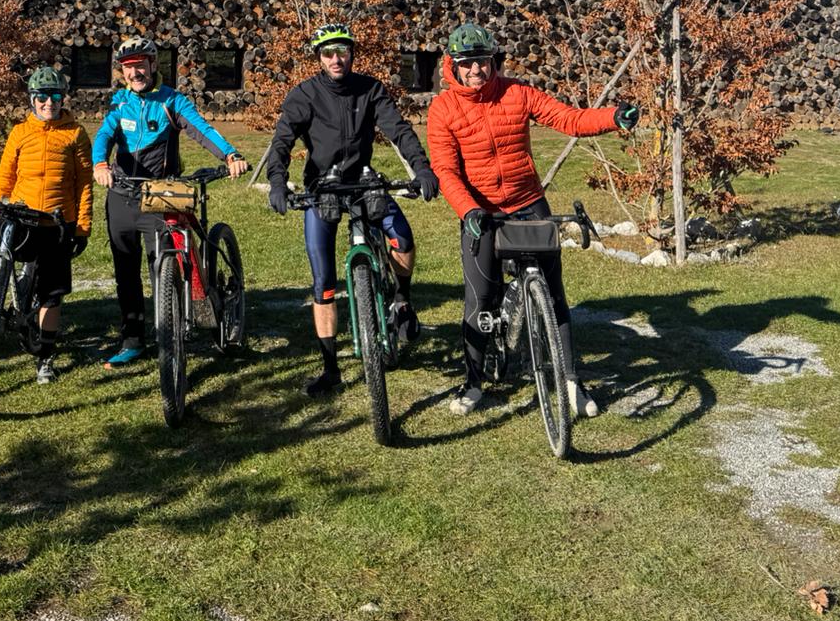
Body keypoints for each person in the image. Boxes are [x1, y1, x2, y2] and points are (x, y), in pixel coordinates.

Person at [426, 22, 640, 418]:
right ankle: (474, 382)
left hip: (528, 202)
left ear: (494, 62)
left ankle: (572, 381)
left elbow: (569, 120)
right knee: (479, 300)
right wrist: (468, 210)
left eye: (483, 61)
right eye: (467, 63)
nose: (476, 70)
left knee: (555, 297)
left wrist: (613, 117)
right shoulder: (443, 109)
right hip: (480, 212)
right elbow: (445, 169)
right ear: (452, 66)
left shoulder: (517, 93)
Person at [266, 23, 441, 396]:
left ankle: (401, 300)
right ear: (319, 58)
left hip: (364, 183)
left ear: (352, 53)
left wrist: (422, 168)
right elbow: (281, 142)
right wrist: (278, 183)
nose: (335, 59)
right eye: (327, 53)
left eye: (342, 51)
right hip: (322, 187)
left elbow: (399, 131)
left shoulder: (370, 88)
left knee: (403, 239)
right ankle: (331, 368)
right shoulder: (305, 94)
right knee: (323, 281)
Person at [91, 36, 249, 366]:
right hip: (121, 193)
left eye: (140, 66)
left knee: (161, 266)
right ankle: (133, 340)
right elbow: (105, 135)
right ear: (122, 72)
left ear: (153, 65)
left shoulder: (172, 101)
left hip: (159, 194)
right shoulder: (119, 103)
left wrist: (230, 154)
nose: (135, 73)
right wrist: (101, 163)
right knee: (125, 270)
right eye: (128, 68)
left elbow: (202, 129)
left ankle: (172, 331)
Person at [0, 66, 94, 384]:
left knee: (51, 294)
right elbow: (5, 177)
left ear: (63, 98)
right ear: (32, 99)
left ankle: (45, 358)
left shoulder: (75, 133)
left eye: (55, 96)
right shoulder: (20, 133)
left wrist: (82, 227)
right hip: (18, 216)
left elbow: (84, 184)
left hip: (55, 221)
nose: (48, 102)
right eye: (42, 97)